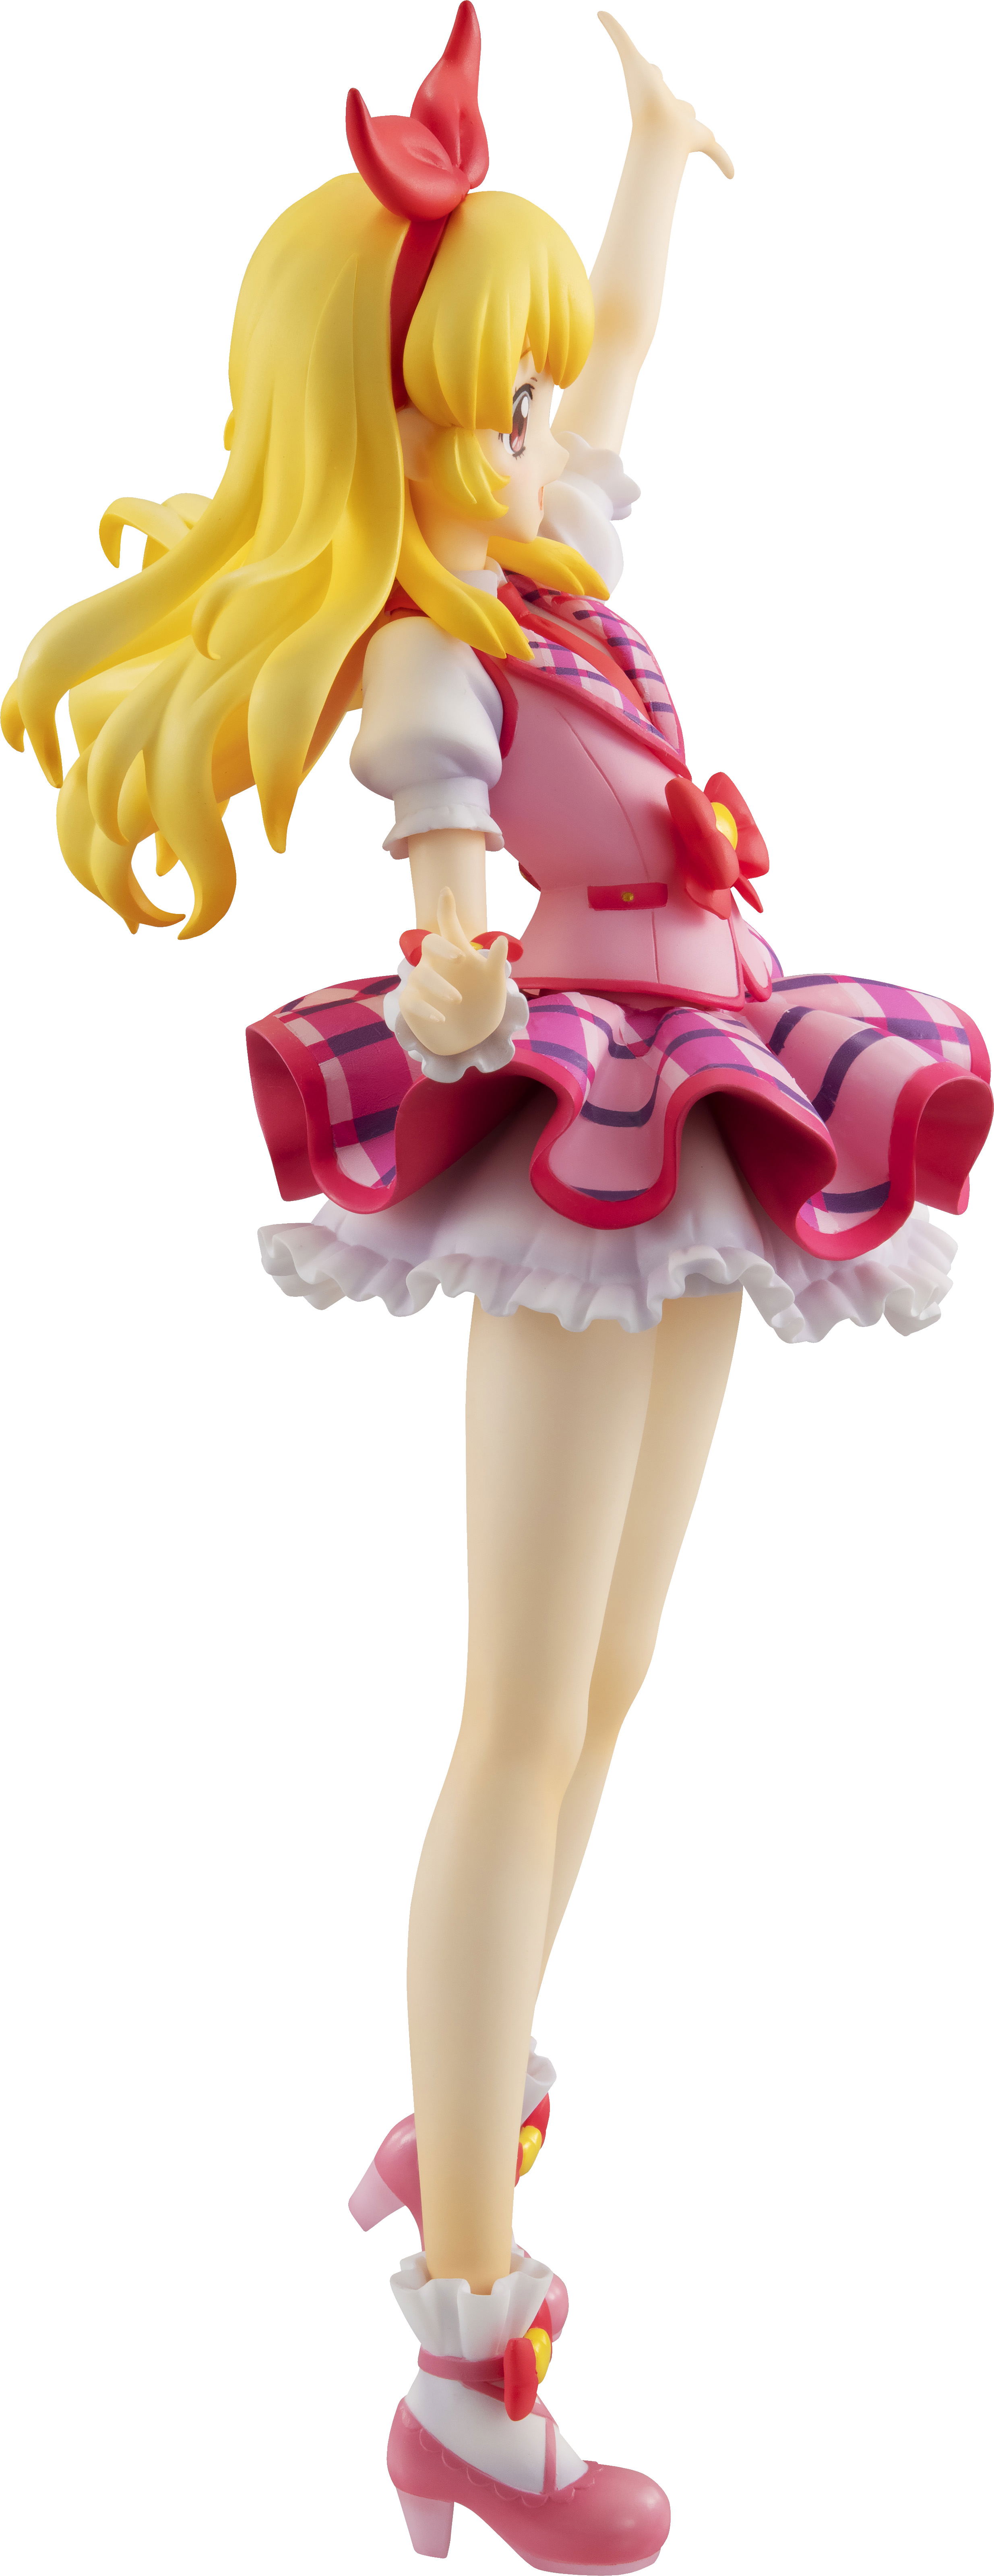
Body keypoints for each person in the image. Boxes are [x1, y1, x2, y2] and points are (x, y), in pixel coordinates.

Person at [5, 10, 990, 2566]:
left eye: (539, 393)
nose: (548, 425)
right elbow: (449, 901)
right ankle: (466, 2364)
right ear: (399, 423)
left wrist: (650, 156)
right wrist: (453, 989)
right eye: (497, 398)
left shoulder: (553, 563)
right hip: (591, 1119)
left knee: (615, 1678)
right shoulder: (438, 660)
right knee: (520, 1713)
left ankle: (460, 2089)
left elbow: (623, 352)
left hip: (714, 1083)